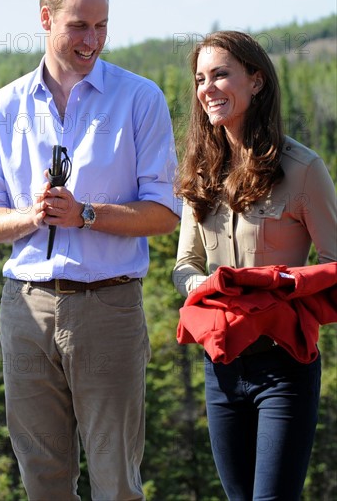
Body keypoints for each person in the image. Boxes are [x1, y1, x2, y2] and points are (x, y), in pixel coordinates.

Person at [0, 0, 181, 501]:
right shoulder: (1, 108)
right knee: (42, 480)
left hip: (108, 307)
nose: (93, 40)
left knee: (116, 481)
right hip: (25, 308)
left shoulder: (140, 98)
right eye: (79, 26)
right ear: (46, 18)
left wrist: (86, 214)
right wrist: (33, 217)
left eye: (102, 26)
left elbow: (166, 214)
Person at [172, 31, 337, 500]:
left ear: (257, 81)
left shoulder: (303, 169)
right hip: (220, 366)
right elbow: (185, 265)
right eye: (201, 78)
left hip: (284, 367)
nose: (208, 88)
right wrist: (210, 288)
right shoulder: (201, 170)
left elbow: (334, 264)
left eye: (221, 74)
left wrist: (270, 288)